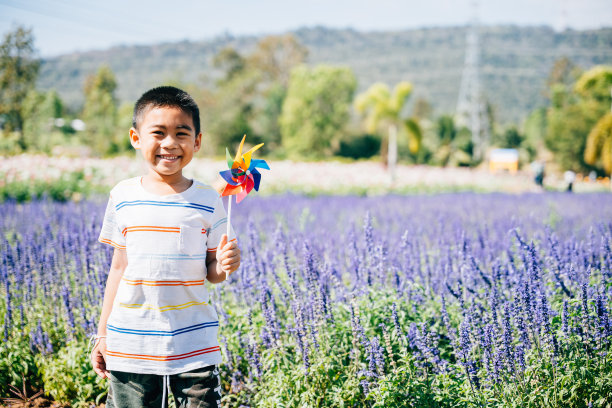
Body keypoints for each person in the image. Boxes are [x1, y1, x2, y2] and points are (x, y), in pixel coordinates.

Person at [90, 86, 241, 408]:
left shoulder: (208, 199)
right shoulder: (122, 195)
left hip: (193, 339)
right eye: (158, 133)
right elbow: (118, 267)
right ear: (136, 138)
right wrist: (102, 335)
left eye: (181, 133)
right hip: (131, 340)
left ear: (197, 141)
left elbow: (212, 272)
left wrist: (226, 265)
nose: (170, 143)